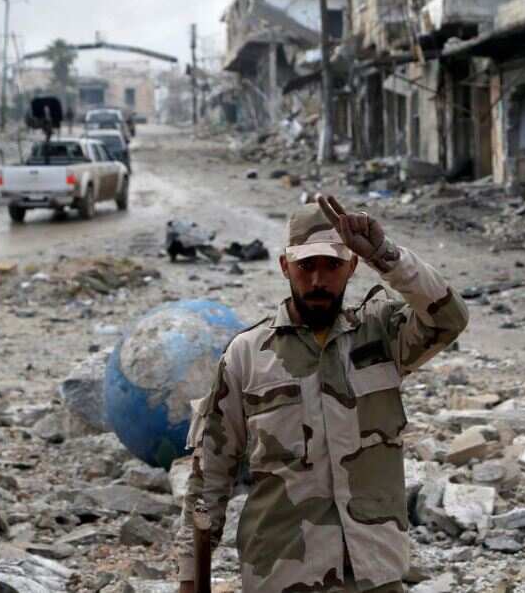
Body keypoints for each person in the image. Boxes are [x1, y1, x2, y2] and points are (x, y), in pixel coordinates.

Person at [176, 195, 469, 593]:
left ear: (351, 265)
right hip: (282, 573)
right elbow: (208, 478)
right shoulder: (247, 356)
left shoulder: (383, 335)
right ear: (285, 267)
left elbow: (449, 318)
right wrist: (192, 581)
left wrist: (385, 256)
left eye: (331, 265)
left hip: (374, 572)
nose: (318, 280)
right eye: (305, 266)